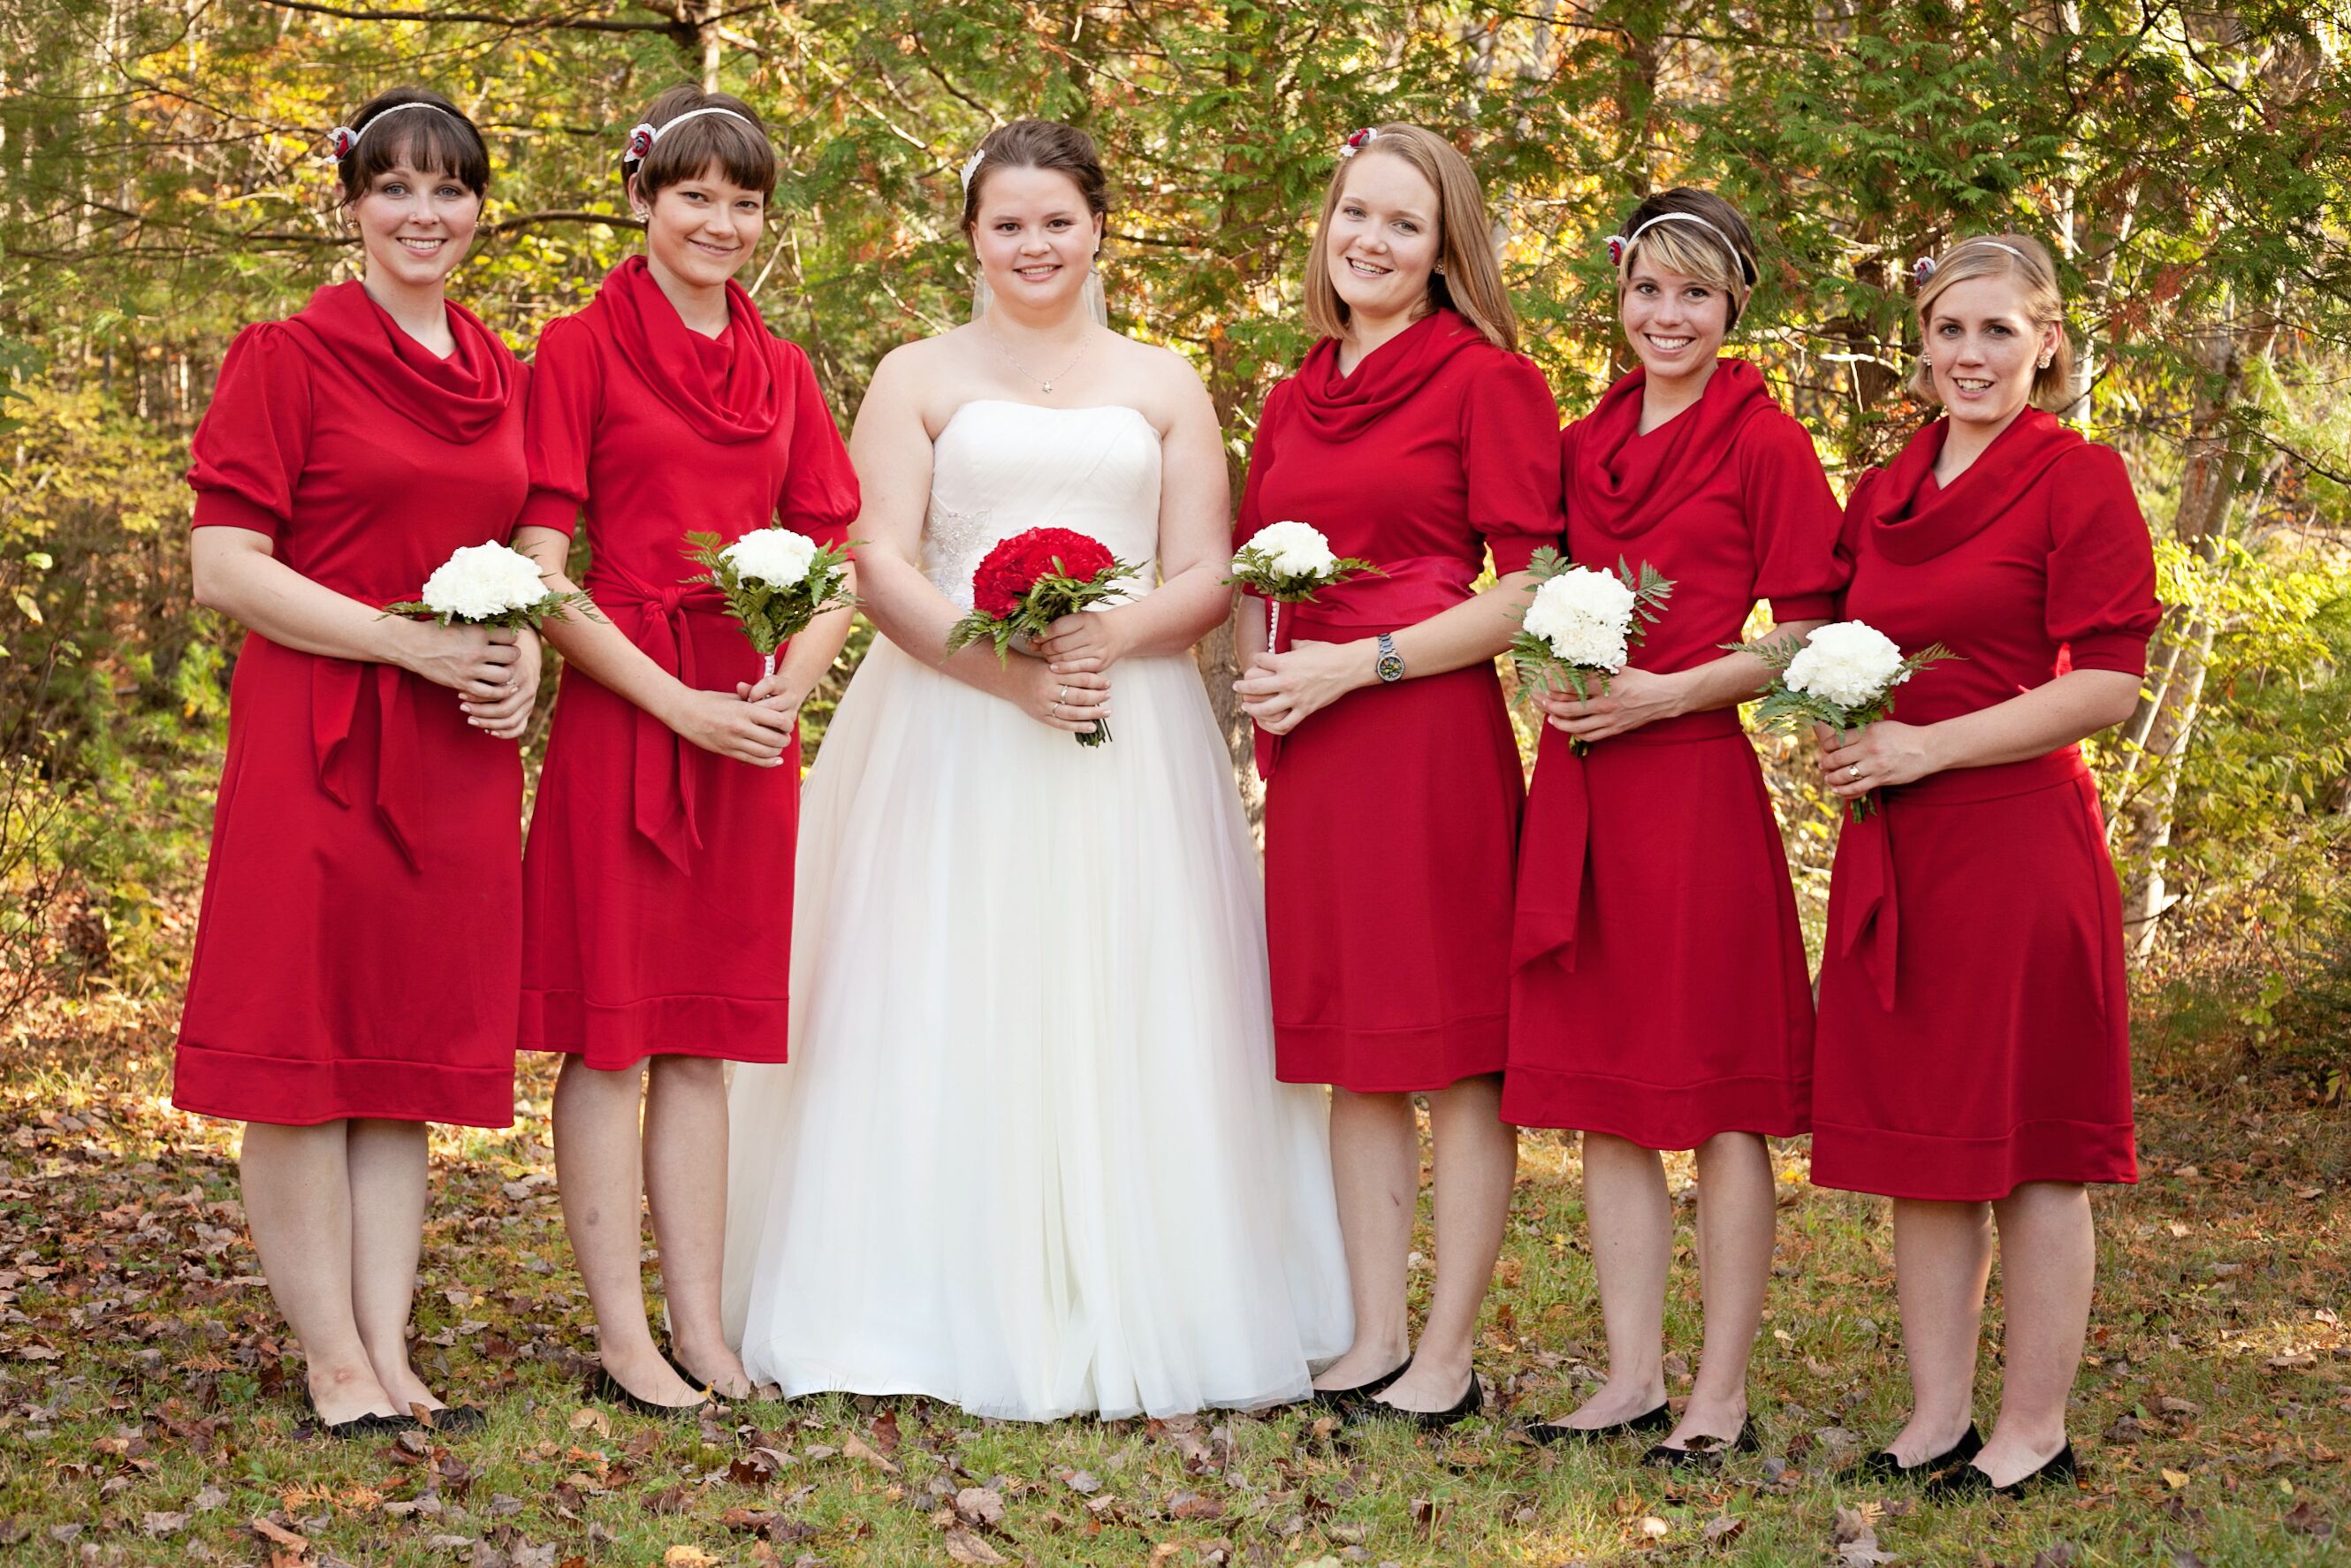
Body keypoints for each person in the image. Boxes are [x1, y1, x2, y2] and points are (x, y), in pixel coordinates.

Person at [721, 119, 1350, 1421]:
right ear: (971, 238)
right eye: (1005, 223)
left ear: (1099, 227)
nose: (1033, 245)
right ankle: (919, 1292)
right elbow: (880, 559)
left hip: (1132, 730)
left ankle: (1147, 1284)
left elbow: (1204, 569)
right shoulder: (916, 375)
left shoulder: (1166, 380)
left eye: (1055, 219)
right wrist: (1001, 670)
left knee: (1129, 990)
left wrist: (1103, 640)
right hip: (949, 719)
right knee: (943, 983)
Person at [178, 86, 532, 1435]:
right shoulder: (287, 355)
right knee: (304, 1051)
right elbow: (225, 571)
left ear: (479, 211)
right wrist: (405, 646)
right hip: (319, 737)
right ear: (353, 205)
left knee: (401, 1057)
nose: (423, 214)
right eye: (395, 187)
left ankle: (389, 1346)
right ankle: (329, 1354)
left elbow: (530, 553)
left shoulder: (502, 374)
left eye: (448, 190)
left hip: (452, 748)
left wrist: (514, 659)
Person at [514, 85, 859, 1414]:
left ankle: (704, 1325)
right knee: (612, 1039)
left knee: (705, 1040)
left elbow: (839, 555)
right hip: (632, 704)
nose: (719, 222)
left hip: (748, 716)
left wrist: (784, 697)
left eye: (743, 201)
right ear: (644, 200)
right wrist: (674, 700)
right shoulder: (577, 349)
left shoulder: (780, 369)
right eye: (693, 196)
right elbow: (546, 572)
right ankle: (621, 1336)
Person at [1807, 233, 2159, 1496]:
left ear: (2047, 343)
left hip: (2016, 841)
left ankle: (2035, 1429)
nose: (1971, 354)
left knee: (2036, 1151)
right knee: (1928, 1142)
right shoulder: (1886, 485)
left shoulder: (2080, 479)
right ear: (1923, 342)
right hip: (1899, 841)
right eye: (1951, 330)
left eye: (1998, 332)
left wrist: (1924, 745)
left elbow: (2109, 688)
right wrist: (1847, 736)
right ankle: (1935, 1414)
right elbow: (1837, 639)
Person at [1505, 188, 1844, 1465]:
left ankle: (1719, 1392)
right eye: (1650, 289)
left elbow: (1811, 624)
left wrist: (1677, 689)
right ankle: (1632, 1374)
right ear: (1623, 294)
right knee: (1605, 1095)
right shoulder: (1586, 438)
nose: (1668, 315)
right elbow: (1541, 583)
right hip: (1586, 778)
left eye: (1695, 294)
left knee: (1720, 1101)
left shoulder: (1767, 443)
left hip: (1695, 775)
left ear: (1733, 305)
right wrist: (1555, 670)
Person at [1232, 124, 1563, 1427]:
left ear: (1445, 252)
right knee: (1354, 1051)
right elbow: (1260, 568)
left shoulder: (1489, 381)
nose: (1369, 239)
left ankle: (1446, 1350)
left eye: (1404, 224)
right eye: (1354, 213)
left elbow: (1531, 588)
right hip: (1312, 746)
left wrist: (1357, 664)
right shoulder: (1293, 387)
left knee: (1457, 1058)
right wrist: (1266, 692)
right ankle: (1371, 1334)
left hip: (1421, 736)